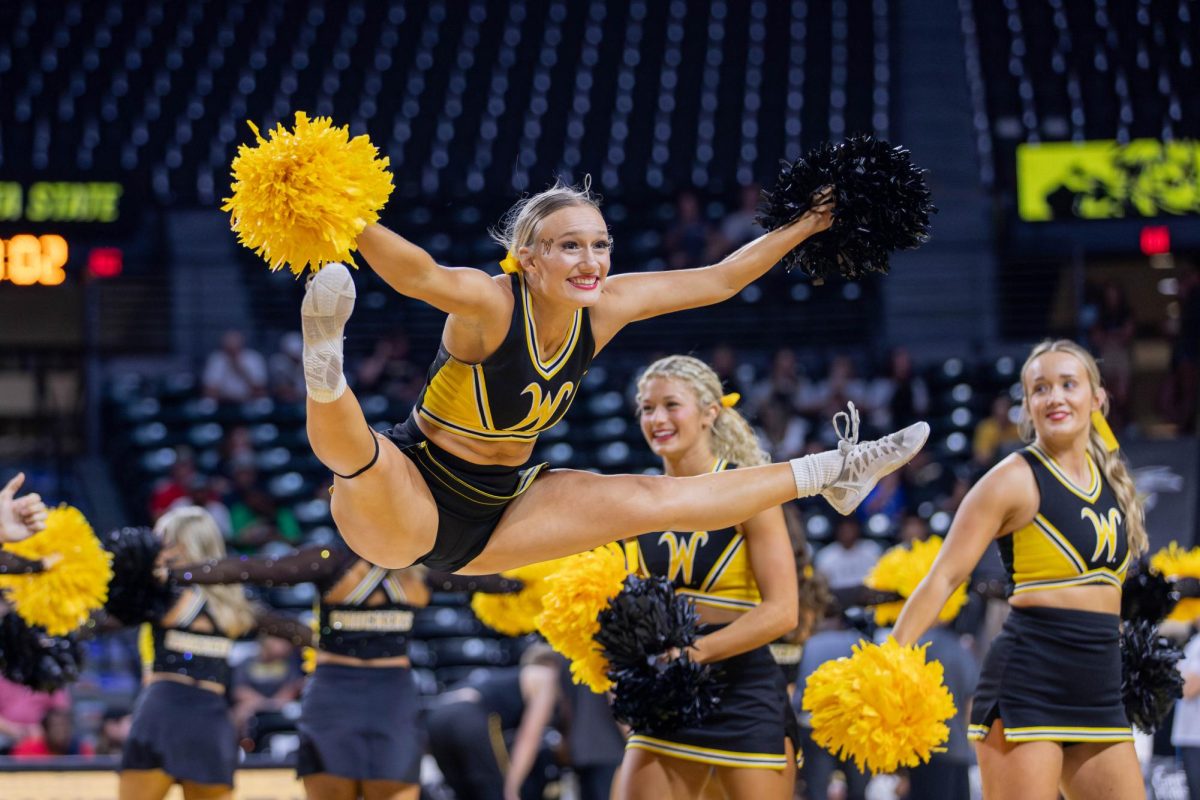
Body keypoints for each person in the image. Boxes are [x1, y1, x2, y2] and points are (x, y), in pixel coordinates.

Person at [300, 181, 929, 576]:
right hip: (413, 488)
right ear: (528, 256)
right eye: (570, 246)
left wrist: (810, 223)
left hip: (502, 511)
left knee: (656, 501)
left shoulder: (606, 307)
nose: (591, 261)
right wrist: (344, 216)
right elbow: (420, 275)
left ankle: (837, 473)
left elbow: (719, 280)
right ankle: (324, 365)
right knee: (365, 459)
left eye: (600, 245)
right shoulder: (492, 303)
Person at [892, 339, 1148, 800]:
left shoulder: (1111, 478)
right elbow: (945, 577)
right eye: (1040, 388)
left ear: (1097, 398)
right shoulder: (1012, 477)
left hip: (1100, 689)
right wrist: (888, 661)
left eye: (1069, 384)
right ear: (1028, 406)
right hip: (1029, 683)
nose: (1055, 397)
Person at [168, 535, 519, 800]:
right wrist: (177, 573)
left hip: (393, 699)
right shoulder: (331, 560)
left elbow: (495, 581)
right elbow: (255, 568)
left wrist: (541, 579)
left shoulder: (423, 570)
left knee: (397, 790)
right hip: (335, 696)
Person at [616, 355, 802, 800]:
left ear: (709, 413)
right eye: (646, 408)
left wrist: (694, 653)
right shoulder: (633, 500)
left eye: (670, 405)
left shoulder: (749, 490)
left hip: (744, 690)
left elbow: (782, 612)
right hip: (667, 691)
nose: (657, 418)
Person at [119, 506, 259, 800]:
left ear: (178, 546)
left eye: (160, 540)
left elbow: (106, 615)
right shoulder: (236, 606)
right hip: (212, 720)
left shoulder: (161, 596)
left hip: (161, 714)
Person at [426, 644, 563, 800]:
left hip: (437, 715)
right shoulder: (548, 678)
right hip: (468, 716)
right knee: (494, 792)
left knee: (464, 794)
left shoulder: (514, 675)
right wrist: (511, 789)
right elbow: (529, 737)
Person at [10, 707, 94, 757]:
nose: (61, 731)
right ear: (45, 730)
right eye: (56, 726)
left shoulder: (82, 750)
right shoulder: (27, 750)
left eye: (64, 726)